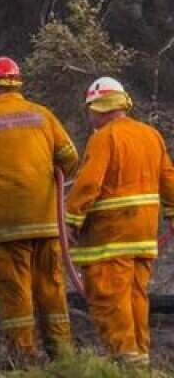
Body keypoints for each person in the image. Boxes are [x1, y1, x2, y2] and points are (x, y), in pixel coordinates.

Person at [0, 56, 78, 359]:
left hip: (7, 224)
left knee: (15, 292)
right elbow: (70, 157)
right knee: (52, 288)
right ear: (17, 84)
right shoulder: (43, 116)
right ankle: (62, 354)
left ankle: (24, 358)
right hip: (46, 221)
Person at [65, 77, 174, 367]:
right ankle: (140, 356)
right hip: (143, 236)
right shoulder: (151, 135)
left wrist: (71, 220)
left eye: (90, 109)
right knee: (136, 296)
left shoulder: (104, 138)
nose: (89, 116)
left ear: (99, 108)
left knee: (110, 297)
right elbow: (169, 181)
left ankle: (124, 358)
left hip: (110, 237)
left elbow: (88, 184)